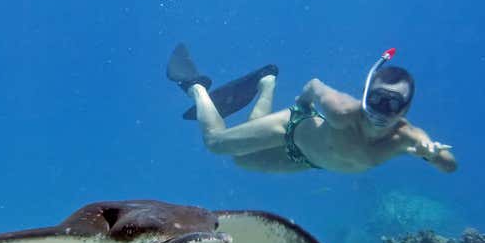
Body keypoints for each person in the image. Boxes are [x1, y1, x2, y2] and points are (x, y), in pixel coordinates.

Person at [166, 44, 457, 173]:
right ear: (366, 93)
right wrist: (301, 105)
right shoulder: (341, 111)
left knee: (242, 161)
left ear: (405, 111)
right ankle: (196, 87)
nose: (382, 110)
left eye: (394, 104)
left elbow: (448, 164)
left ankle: (266, 82)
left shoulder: (408, 137)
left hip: (307, 160)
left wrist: (432, 155)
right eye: (378, 98)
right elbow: (315, 85)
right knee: (216, 144)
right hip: (293, 128)